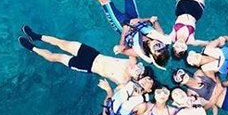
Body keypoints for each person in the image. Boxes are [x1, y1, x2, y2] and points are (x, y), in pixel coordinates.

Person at [18, 25, 146, 85]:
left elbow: (121, 96)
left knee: (56, 57)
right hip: (93, 54)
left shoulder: (123, 81)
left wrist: (108, 90)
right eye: (140, 68)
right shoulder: (132, 62)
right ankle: (35, 36)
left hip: (87, 65)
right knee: (62, 43)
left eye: (138, 73)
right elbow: (133, 48)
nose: (136, 69)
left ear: (135, 79)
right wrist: (122, 47)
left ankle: (32, 48)